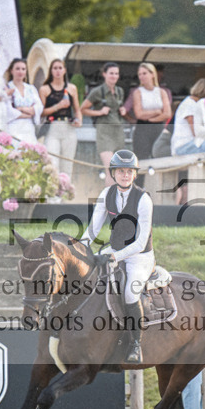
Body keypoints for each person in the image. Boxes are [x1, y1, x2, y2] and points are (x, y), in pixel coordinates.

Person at [81, 150, 154, 364]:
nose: (125, 175)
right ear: (113, 173)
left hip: (140, 257)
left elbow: (140, 242)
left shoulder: (143, 199)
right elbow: (93, 230)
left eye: (129, 171)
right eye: (121, 171)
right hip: (114, 251)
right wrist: (79, 249)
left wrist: (114, 256)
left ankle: (136, 344)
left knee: (130, 293)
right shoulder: (106, 194)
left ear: (135, 174)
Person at [82, 62, 125, 185]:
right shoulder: (97, 91)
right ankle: (110, 196)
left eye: (116, 73)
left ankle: (118, 195)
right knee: (110, 168)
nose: (114, 76)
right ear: (104, 74)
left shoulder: (120, 91)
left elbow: (119, 109)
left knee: (119, 169)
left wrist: (123, 110)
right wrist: (99, 112)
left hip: (118, 132)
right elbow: (83, 109)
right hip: (104, 132)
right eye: (111, 73)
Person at [170, 78, 205, 204]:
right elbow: (196, 131)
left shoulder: (192, 104)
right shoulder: (190, 105)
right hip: (184, 146)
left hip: (190, 145)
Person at [38, 58, 81, 177]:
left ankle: (65, 187)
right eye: (55, 68)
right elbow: (41, 112)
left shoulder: (72, 88)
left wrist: (79, 120)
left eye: (60, 68)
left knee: (67, 164)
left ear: (64, 70)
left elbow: (77, 109)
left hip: (68, 127)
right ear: (51, 71)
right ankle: (53, 187)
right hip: (52, 127)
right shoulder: (45, 89)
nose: (57, 71)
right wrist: (58, 106)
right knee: (52, 162)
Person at [129, 62, 170, 168]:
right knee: (141, 157)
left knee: (158, 155)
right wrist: (156, 112)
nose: (142, 76)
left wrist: (151, 119)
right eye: (140, 74)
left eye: (144, 73)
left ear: (152, 74)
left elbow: (167, 113)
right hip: (143, 128)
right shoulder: (138, 92)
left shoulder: (161, 92)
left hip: (158, 126)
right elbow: (139, 114)